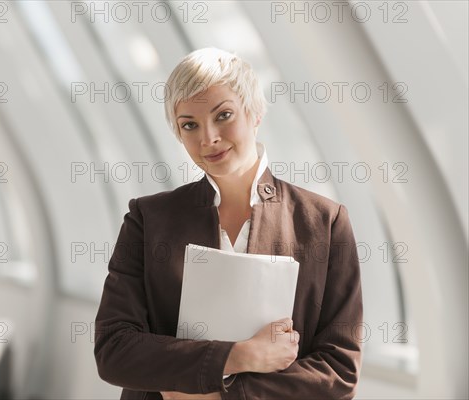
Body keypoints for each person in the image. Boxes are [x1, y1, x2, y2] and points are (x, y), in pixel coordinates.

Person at [94, 48, 363, 400]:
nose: (208, 138)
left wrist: (215, 394)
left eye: (223, 115)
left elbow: (337, 373)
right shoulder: (148, 219)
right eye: (189, 124)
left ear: (255, 113)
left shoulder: (324, 223)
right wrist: (238, 356)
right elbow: (114, 350)